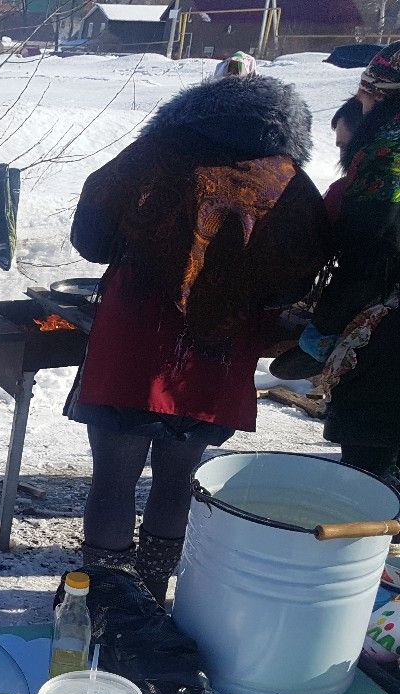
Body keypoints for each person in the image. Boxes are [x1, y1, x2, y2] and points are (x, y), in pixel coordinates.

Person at [67, 72, 329, 602]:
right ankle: (152, 594)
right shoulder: (289, 181)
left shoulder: (154, 152)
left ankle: (103, 604)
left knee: (114, 480)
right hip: (218, 350)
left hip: (135, 336)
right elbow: (297, 280)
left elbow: (89, 238)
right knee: (177, 478)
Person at [307, 42, 400, 486]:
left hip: (390, 337)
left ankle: (364, 550)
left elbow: (368, 253)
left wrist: (325, 324)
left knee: (371, 465)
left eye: (365, 96)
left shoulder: (388, 158)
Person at [269, 96, 367, 378]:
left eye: (346, 146)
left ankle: (316, 346)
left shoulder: (353, 189)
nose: (343, 158)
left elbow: (310, 243)